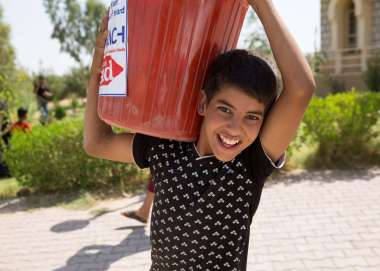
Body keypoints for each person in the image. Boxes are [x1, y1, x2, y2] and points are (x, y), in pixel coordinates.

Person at [84, 0, 315, 270]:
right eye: (225, 109)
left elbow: (301, 89)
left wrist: (260, 4)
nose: (234, 128)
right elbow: (97, 143)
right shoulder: (166, 144)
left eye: (252, 117)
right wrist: (98, 70)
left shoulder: (250, 163)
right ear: (203, 103)